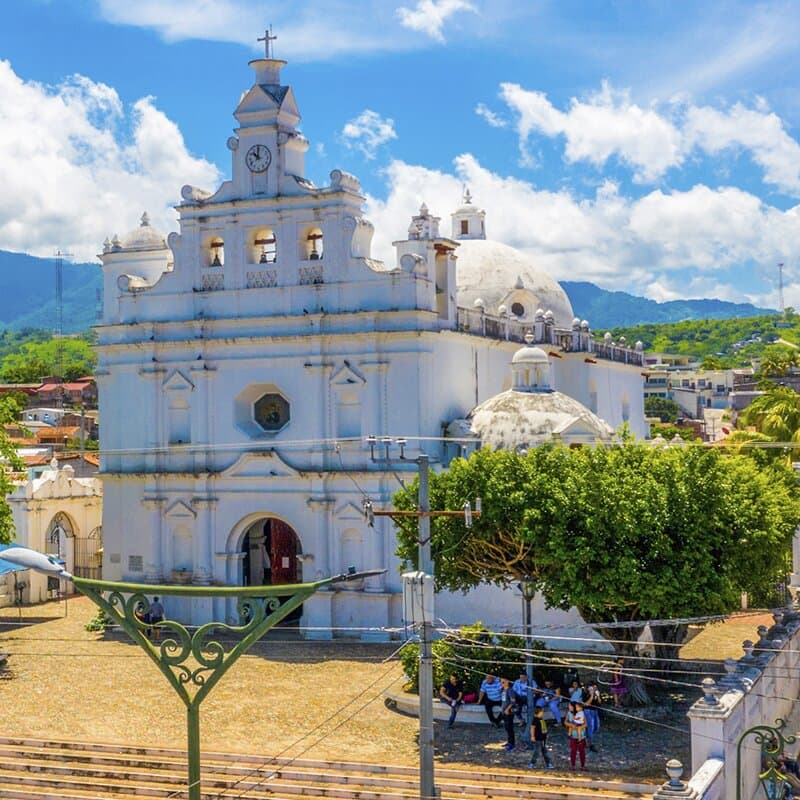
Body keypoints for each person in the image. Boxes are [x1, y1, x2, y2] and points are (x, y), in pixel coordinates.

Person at [566, 700, 587, 770]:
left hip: (581, 735)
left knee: (582, 751)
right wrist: (571, 725)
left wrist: (580, 727)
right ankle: (572, 765)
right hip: (573, 736)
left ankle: (583, 766)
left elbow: (586, 724)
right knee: (573, 751)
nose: (569, 707)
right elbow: (565, 722)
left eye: (570, 706)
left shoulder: (581, 714)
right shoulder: (569, 713)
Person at [500, 677, 518, 751]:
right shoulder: (503, 690)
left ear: (507, 682)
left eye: (503, 682)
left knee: (510, 728)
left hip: (509, 711)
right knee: (507, 727)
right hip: (504, 710)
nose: (502, 684)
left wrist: (507, 709)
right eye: (501, 682)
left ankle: (512, 744)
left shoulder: (510, 690)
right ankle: (509, 741)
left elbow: (513, 701)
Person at [583, 681, 601, 752]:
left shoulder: (596, 693)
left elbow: (599, 702)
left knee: (597, 726)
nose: (593, 689)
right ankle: (590, 743)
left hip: (595, 711)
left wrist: (598, 696)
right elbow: (586, 704)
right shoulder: (584, 693)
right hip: (587, 711)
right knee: (591, 726)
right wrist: (591, 695)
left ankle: (586, 737)